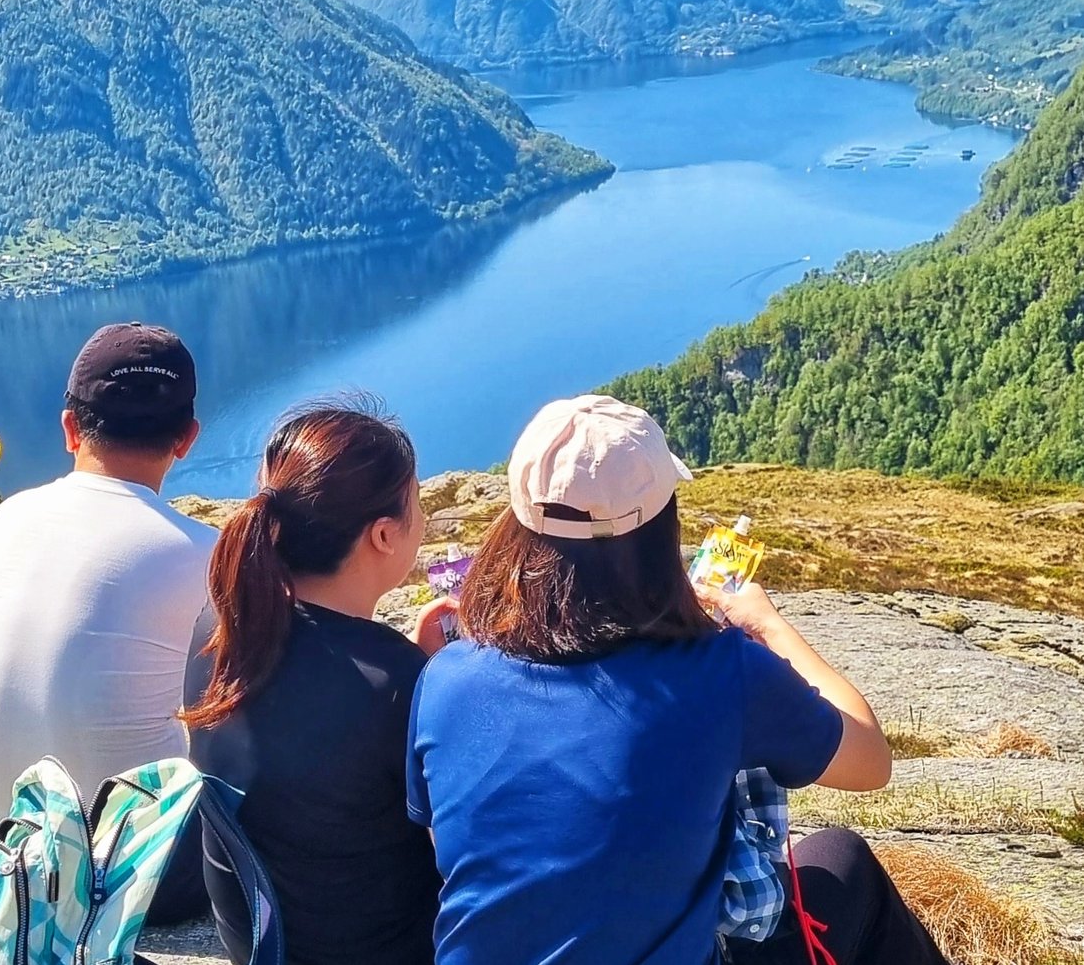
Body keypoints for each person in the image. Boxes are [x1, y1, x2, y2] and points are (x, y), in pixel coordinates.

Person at [406, 395, 948, 965]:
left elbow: (457, 855)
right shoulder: (718, 672)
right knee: (843, 858)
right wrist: (772, 628)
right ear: (660, 527)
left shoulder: (445, 678)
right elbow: (870, 761)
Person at [183, 402, 453, 965]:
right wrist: (444, 683)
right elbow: (459, 850)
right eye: (417, 503)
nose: (422, 517)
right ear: (383, 535)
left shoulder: (221, 628)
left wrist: (421, 669)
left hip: (264, 945)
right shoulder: (394, 684)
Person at [0, 321, 215, 924]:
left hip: (5, 840)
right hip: (132, 874)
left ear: (70, 428)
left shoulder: (13, 518)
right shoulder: (203, 552)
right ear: (187, 438)